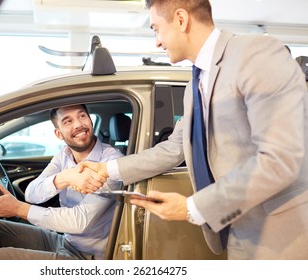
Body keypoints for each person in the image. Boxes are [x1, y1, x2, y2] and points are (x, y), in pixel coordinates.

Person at [78, 0, 308, 259]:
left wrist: (192, 207)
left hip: (282, 234)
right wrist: (107, 169)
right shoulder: (193, 87)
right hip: (236, 230)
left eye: (156, 29)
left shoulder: (255, 54)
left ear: (180, 19)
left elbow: (281, 158)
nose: (157, 42)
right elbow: (175, 148)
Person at [0, 104, 123, 260]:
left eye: (82, 116)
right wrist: (65, 177)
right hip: (67, 241)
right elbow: (32, 193)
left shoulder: (111, 162)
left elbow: (79, 221)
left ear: (90, 120)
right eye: (68, 121)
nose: (79, 124)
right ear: (58, 134)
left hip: (87, 257)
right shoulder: (65, 154)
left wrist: (19, 209)